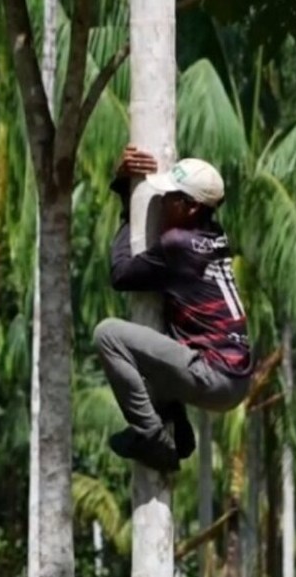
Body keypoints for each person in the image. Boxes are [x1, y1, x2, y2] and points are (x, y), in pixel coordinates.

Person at [93, 145, 254, 474]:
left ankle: (151, 438)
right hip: (235, 378)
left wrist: (126, 199)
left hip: (214, 375)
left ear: (192, 208)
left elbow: (121, 274)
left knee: (108, 335)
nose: (163, 201)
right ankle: (176, 423)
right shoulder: (214, 236)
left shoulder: (179, 245)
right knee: (167, 326)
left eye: (172, 197)